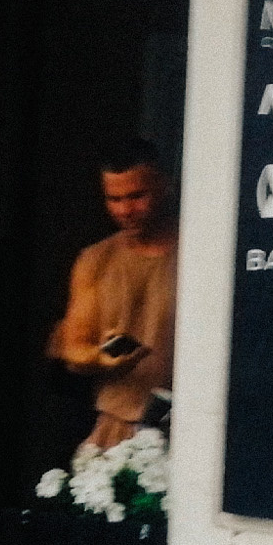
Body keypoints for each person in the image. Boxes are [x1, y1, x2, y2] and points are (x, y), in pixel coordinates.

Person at [48, 146, 177, 449]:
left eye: (136, 196)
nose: (124, 211)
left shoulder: (199, 249)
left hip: (188, 424)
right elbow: (74, 346)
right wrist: (100, 359)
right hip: (116, 426)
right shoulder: (95, 260)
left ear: (164, 185)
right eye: (114, 199)